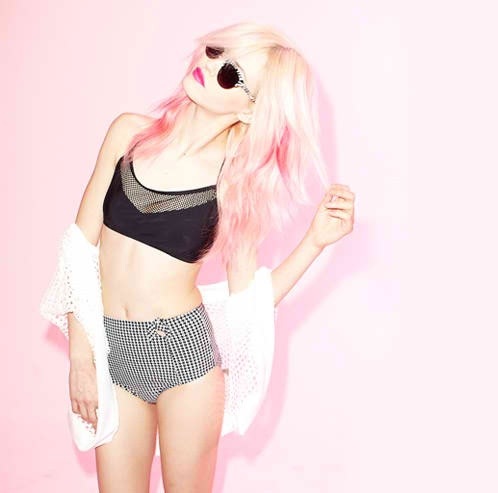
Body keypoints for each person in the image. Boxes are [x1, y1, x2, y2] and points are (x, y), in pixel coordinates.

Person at [66, 21, 355, 492]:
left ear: (251, 109)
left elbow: (248, 302)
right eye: (216, 50)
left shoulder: (234, 183)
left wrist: (314, 241)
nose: (209, 64)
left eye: (230, 74)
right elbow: (79, 252)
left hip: (185, 358)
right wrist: (81, 358)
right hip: (113, 350)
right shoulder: (128, 134)